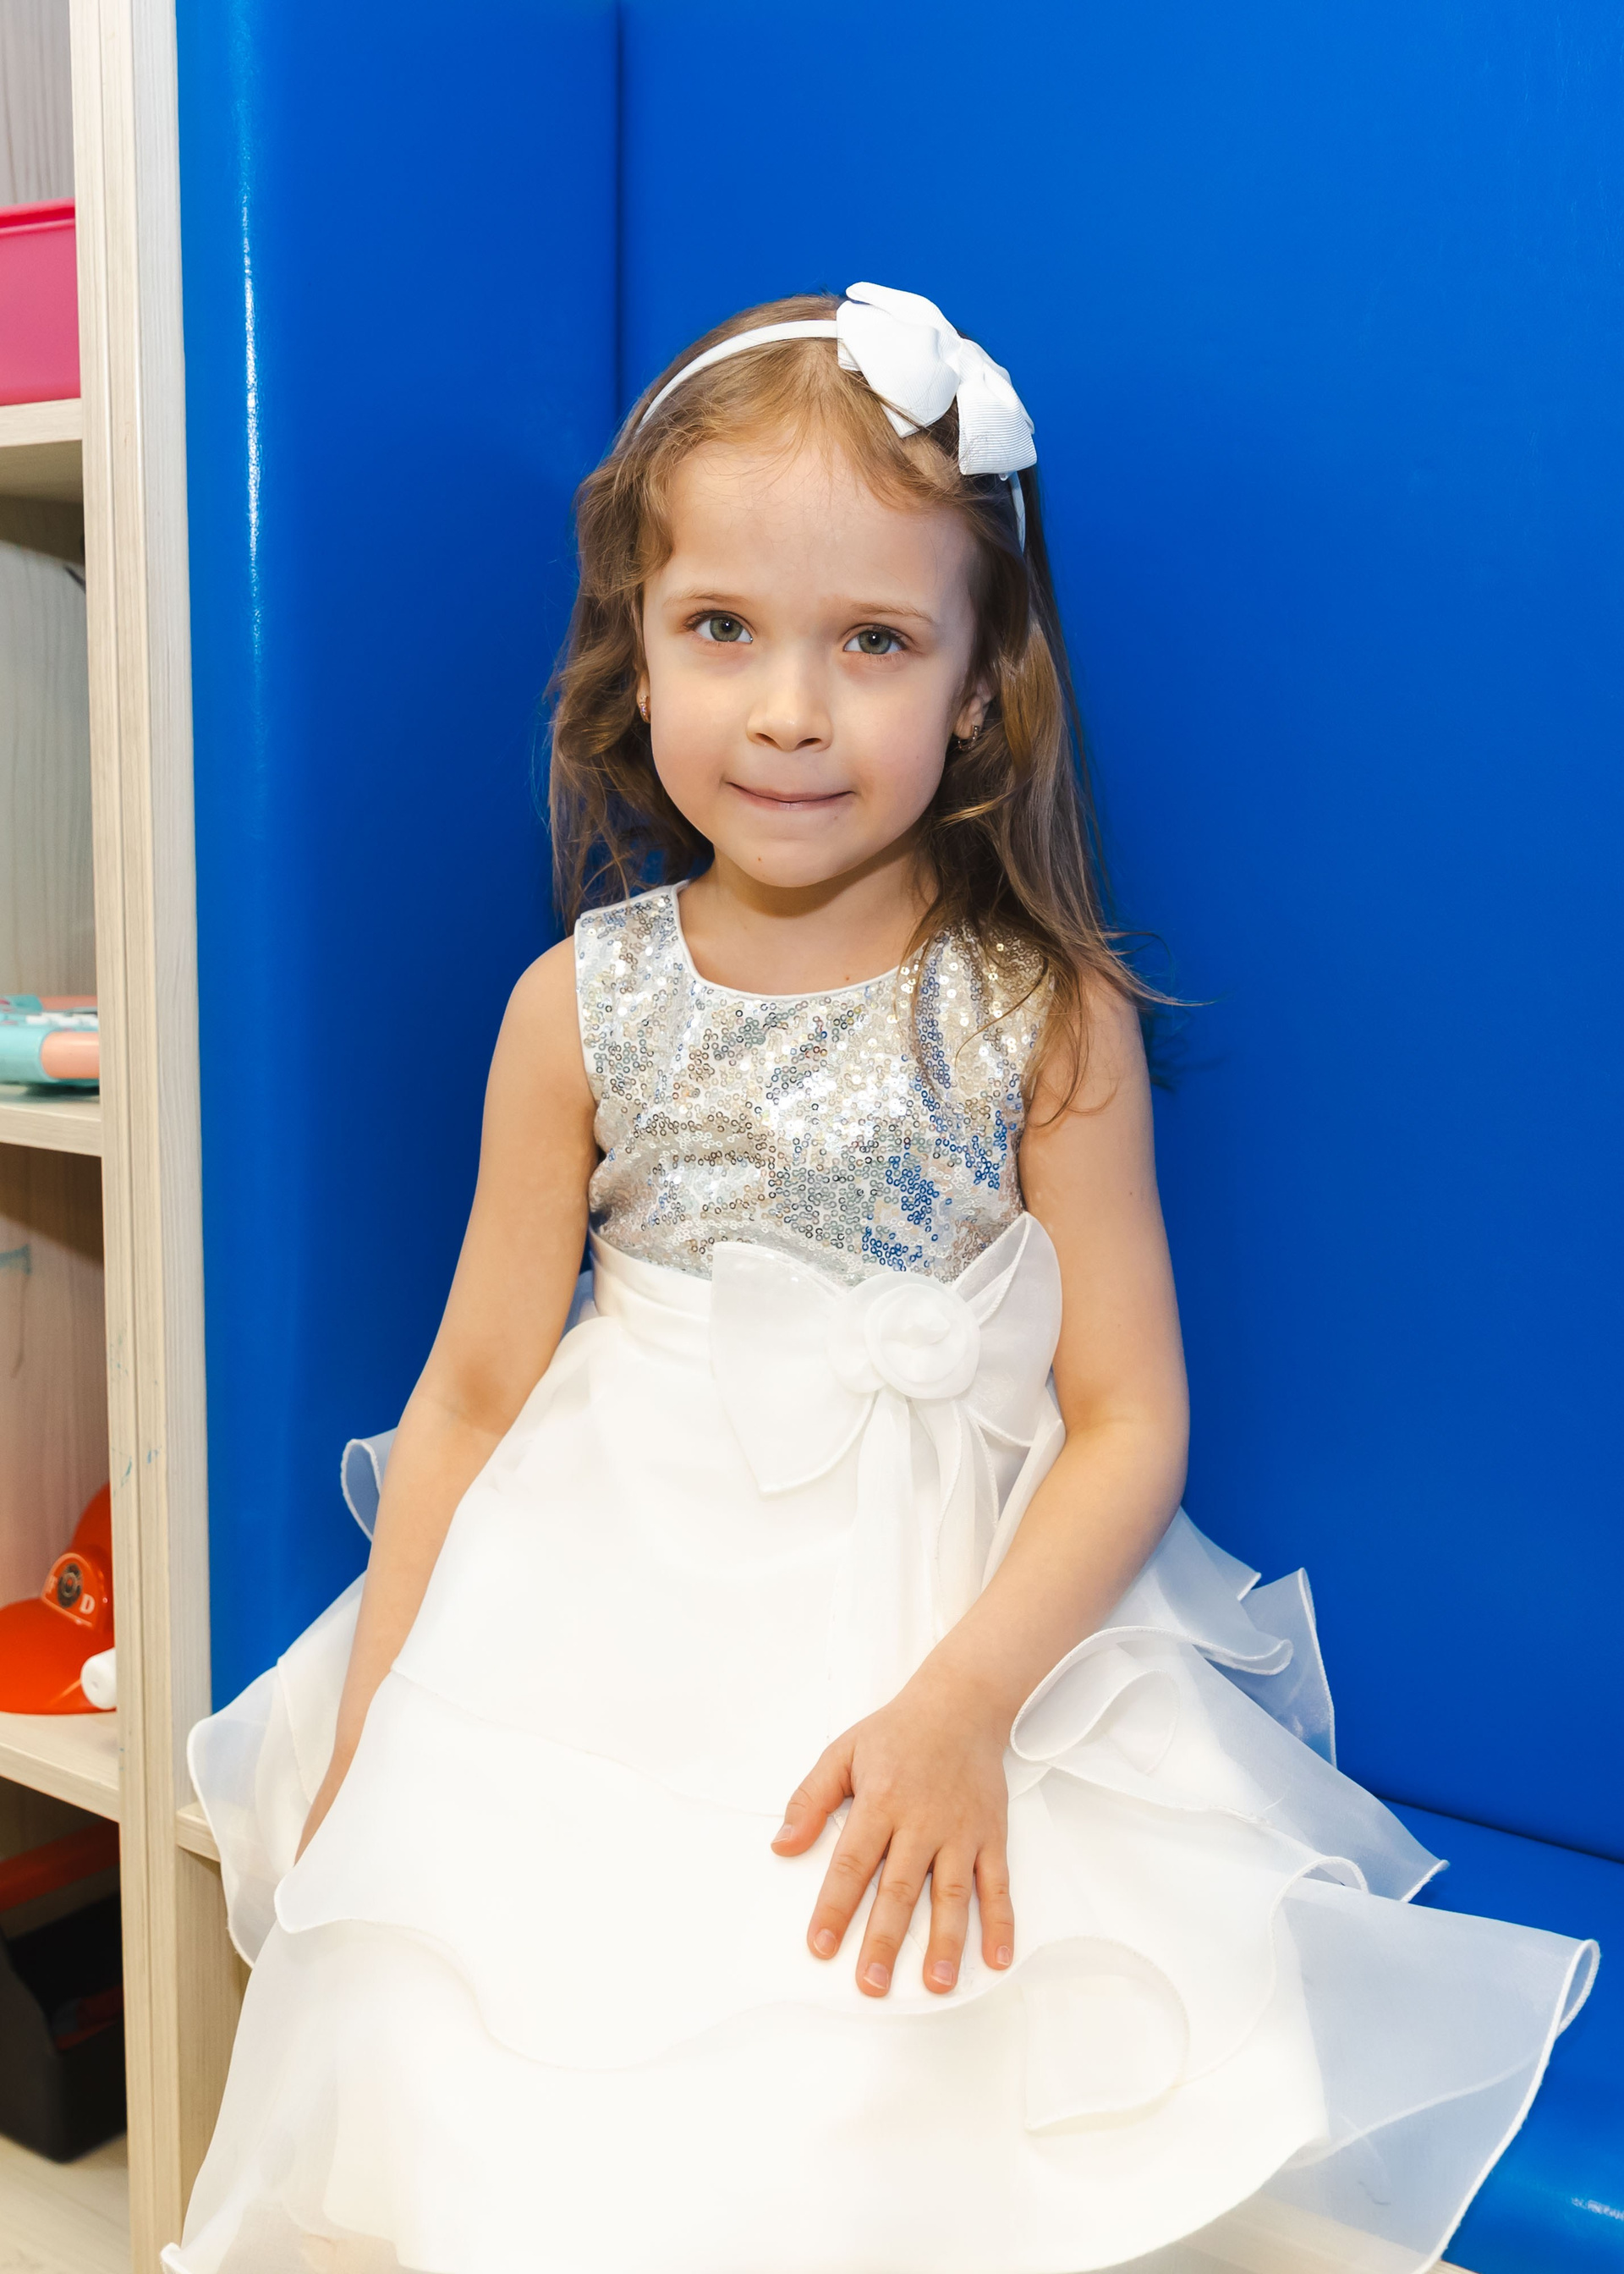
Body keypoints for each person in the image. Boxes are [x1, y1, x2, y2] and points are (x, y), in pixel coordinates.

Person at [165, 284, 1594, 2274]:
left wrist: (964, 1710)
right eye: (722, 629)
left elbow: (1129, 1417)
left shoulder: (1045, 1014)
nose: (789, 710)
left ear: (982, 683)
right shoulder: (574, 1006)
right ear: (636, 646)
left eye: (874, 642)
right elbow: (473, 1392)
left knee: (876, 2072)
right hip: (599, 1616)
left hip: (935, 1622)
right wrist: (373, 1745)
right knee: (521, 2075)